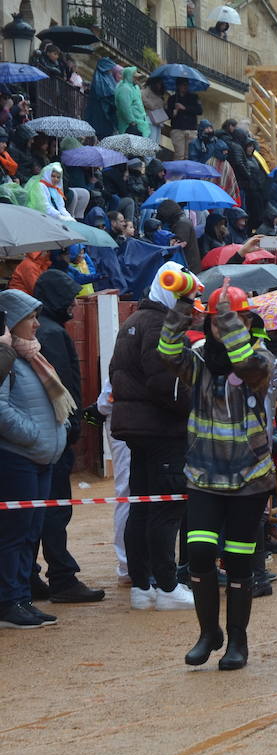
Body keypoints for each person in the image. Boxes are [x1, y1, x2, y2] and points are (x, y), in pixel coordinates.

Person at [160, 280, 277, 669]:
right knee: (199, 552)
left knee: (239, 562)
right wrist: (182, 305)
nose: (220, 329)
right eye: (214, 323)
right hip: (205, 475)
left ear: (245, 321)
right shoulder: (198, 360)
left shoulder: (262, 359)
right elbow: (166, 350)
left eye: (230, 321)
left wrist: (226, 316)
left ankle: (237, 642)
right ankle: (209, 632)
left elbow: (243, 363)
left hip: (249, 479)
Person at [111, 262, 194, 611]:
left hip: (138, 427)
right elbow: (164, 381)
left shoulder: (132, 321)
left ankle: (143, 586)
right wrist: (195, 406)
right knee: (164, 509)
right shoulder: (158, 323)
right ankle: (166, 585)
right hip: (161, 428)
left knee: (142, 507)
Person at [27, 271, 102, 607]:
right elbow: (62, 392)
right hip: (54, 438)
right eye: (69, 296)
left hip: (43, 437)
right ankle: (62, 578)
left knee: (35, 510)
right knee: (55, 510)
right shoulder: (55, 334)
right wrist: (72, 428)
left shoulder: (47, 330)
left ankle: (29, 576)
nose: (75, 302)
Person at [0, 289, 73, 629]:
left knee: (30, 531)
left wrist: (60, 427)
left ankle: (22, 598)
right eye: (30, 318)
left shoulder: (31, 356)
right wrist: (32, 434)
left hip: (40, 456)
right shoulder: (8, 359)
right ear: (13, 322)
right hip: (19, 456)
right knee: (15, 532)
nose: (36, 324)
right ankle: (9, 601)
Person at [156, 199, 202, 271]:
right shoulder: (182, 221)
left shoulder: (181, 224)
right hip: (188, 265)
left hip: (187, 267)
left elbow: (177, 246)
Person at [166, 78, 202, 160]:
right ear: (178, 86)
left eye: (186, 85)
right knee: (179, 155)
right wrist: (173, 112)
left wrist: (184, 108)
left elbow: (199, 111)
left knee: (189, 155)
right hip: (177, 129)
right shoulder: (172, 98)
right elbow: (168, 114)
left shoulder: (194, 97)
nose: (185, 87)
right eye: (183, 85)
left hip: (191, 129)